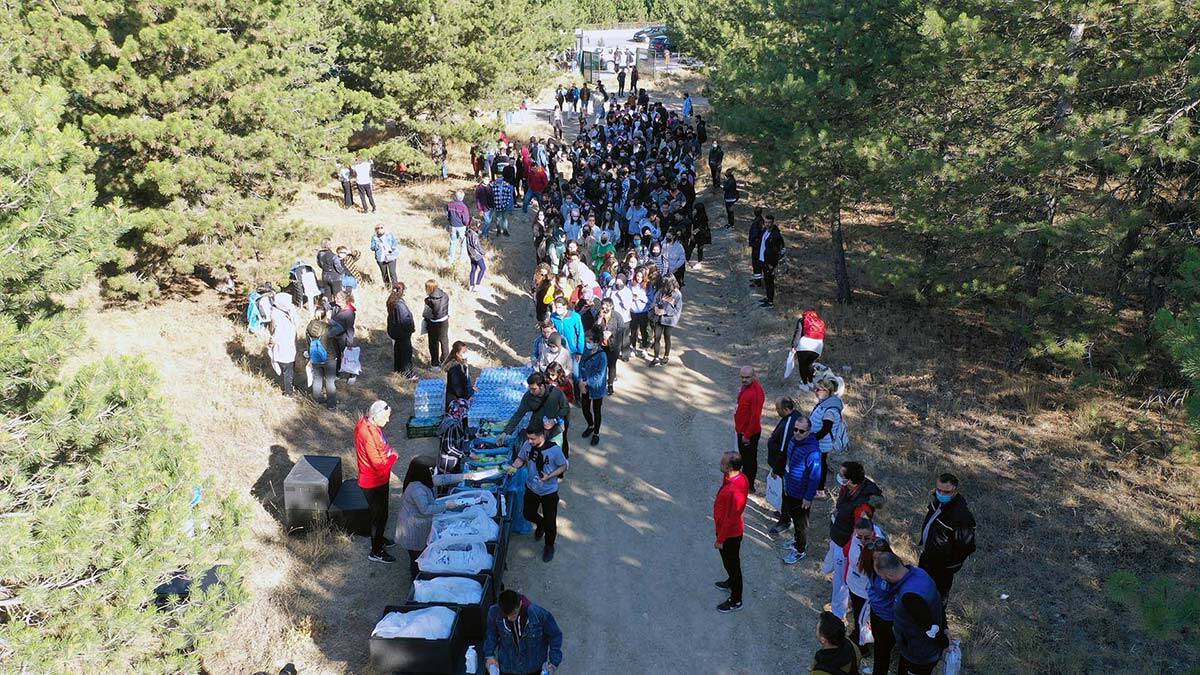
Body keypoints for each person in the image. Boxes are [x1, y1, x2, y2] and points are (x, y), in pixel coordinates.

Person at [395, 456, 471, 577]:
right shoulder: (417, 489)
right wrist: (446, 505)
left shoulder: (422, 479)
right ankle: (417, 579)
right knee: (417, 557)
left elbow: (443, 479)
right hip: (412, 528)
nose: (434, 472)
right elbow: (426, 509)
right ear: (424, 471)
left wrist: (465, 476)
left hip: (419, 523)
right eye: (432, 470)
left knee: (421, 552)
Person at [873, 552, 948, 675]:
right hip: (913, 648)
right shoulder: (920, 573)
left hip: (919, 655)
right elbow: (937, 602)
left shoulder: (910, 597)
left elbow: (930, 628)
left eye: (882, 577)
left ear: (890, 575)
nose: (882, 580)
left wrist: (945, 643)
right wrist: (945, 627)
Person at [828, 461, 885, 614]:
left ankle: (838, 613)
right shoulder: (850, 488)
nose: (840, 477)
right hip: (839, 536)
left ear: (852, 481)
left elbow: (859, 533)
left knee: (841, 581)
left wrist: (847, 551)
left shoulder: (862, 508)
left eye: (842, 475)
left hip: (845, 545)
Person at [508, 425, 568, 562]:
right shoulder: (527, 445)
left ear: (542, 436)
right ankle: (540, 524)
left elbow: (563, 466)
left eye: (532, 439)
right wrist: (512, 467)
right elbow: (520, 459)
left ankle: (549, 546)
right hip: (532, 488)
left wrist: (550, 475)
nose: (529, 441)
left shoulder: (554, 450)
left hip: (549, 492)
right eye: (528, 438)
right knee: (528, 513)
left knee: (550, 521)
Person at [917, 473, 977, 601]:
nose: (941, 494)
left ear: (955, 490)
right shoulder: (937, 503)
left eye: (946, 491)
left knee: (936, 599)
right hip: (928, 558)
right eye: (938, 490)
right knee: (919, 590)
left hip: (942, 568)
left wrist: (949, 565)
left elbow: (966, 546)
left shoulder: (961, 516)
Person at [483, 590, 564, 675]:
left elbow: (555, 635)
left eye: (513, 614)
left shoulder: (539, 614)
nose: (510, 618)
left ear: (520, 603)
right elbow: (491, 634)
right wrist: (489, 656)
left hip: (533, 667)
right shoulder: (494, 612)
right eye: (506, 615)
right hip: (508, 667)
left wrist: (553, 663)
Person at [356, 400, 398, 563]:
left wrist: (387, 451)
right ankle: (376, 551)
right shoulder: (368, 434)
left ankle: (379, 539)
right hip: (373, 481)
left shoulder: (366, 424)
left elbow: (381, 447)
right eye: (386, 418)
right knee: (379, 516)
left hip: (376, 478)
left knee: (381, 514)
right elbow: (379, 464)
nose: (387, 421)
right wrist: (393, 456)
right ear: (376, 416)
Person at [846, 515, 889, 667]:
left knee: (864, 617)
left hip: (867, 591)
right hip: (854, 585)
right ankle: (859, 636)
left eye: (866, 537)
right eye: (860, 537)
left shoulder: (879, 545)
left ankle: (862, 646)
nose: (863, 540)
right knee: (858, 615)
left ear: (873, 532)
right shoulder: (856, 538)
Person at [781, 416, 822, 565]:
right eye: (795, 429)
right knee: (794, 518)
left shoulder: (813, 451)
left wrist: (808, 497)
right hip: (790, 488)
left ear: (809, 431)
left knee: (801, 524)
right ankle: (797, 540)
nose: (797, 433)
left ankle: (800, 549)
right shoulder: (793, 441)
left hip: (801, 495)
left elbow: (815, 477)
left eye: (802, 431)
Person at [713, 451, 749, 613]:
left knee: (733, 566)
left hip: (730, 535)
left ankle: (736, 599)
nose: (720, 463)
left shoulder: (735, 489)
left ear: (730, 467)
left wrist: (720, 539)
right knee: (730, 564)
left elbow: (731, 519)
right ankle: (731, 582)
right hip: (727, 532)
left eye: (723, 462)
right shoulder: (734, 477)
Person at [499, 372, 571, 447]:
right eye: (530, 389)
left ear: (542, 386)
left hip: (555, 430)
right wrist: (505, 433)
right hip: (537, 431)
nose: (531, 391)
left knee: (555, 453)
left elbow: (565, 408)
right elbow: (518, 415)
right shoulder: (528, 397)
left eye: (534, 389)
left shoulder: (555, 393)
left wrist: (555, 420)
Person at [766, 397, 804, 530]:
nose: (776, 411)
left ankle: (785, 520)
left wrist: (776, 469)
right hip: (787, 464)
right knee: (784, 492)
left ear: (786, 409)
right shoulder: (794, 416)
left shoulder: (790, 424)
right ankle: (783, 511)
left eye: (778, 409)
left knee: (785, 492)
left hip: (785, 466)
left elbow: (783, 450)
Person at [811, 375, 848, 495]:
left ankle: (820, 490)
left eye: (819, 389)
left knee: (820, 465)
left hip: (822, 443)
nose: (816, 391)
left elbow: (826, 429)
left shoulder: (830, 409)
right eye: (816, 388)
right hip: (819, 441)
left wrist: (812, 438)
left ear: (827, 391)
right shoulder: (825, 403)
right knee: (820, 463)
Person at [734, 365, 765, 492]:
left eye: (747, 377)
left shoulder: (756, 392)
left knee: (749, 461)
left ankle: (748, 486)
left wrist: (747, 435)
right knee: (745, 459)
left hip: (749, 433)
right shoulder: (747, 386)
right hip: (742, 430)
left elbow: (755, 416)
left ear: (754, 376)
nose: (744, 380)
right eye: (742, 377)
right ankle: (745, 483)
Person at [577, 328, 609, 447]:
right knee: (585, 408)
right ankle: (590, 425)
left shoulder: (602, 356)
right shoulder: (586, 351)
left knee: (597, 410)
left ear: (596, 341)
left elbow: (600, 375)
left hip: (596, 388)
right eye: (586, 341)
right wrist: (580, 379)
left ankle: (596, 433)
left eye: (589, 341)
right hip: (584, 384)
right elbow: (581, 365)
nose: (587, 344)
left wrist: (586, 382)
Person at [304, 307, 337, 409]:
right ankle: (331, 405)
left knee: (317, 380)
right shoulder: (328, 328)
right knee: (330, 382)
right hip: (329, 358)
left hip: (315, 357)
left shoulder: (309, 327)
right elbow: (334, 342)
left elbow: (308, 343)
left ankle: (317, 401)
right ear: (325, 315)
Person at [811, 610, 861, 675]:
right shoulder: (853, 647)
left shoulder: (820, 668)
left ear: (823, 639)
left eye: (817, 629)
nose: (816, 631)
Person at [386, 282, 417, 379]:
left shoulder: (391, 300)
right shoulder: (400, 304)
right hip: (403, 332)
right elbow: (405, 319)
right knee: (406, 353)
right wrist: (411, 328)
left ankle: (398, 369)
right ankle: (408, 374)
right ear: (401, 291)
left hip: (395, 331)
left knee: (398, 350)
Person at [649, 276, 682, 366]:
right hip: (658, 318)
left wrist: (666, 311)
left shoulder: (677, 294)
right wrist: (655, 307)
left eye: (666, 285)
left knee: (667, 338)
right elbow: (654, 300)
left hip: (670, 321)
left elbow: (677, 310)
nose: (664, 288)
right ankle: (656, 357)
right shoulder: (661, 290)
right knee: (657, 337)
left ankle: (666, 356)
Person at [791, 309, 826, 387]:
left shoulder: (802, 320)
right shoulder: (820, 322)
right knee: (809, 364)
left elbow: (798, 333)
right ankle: (810, 382)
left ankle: (805, 384)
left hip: (804, 345)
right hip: (818, 347)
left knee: (802, 365)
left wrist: (793, 346)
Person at [758, 214, 785, 308]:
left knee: (770, 282)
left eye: (769, 222)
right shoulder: (765, 231)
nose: (767, 224)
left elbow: (776, 251)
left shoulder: (775, 235)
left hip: (769, 263)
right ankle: (768, 297)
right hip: (763, 260)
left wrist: (772, 264)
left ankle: (770, 302)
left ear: (773, 223)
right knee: (766, 280)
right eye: (766, 222)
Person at [423, 279, 450, 367]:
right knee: (444, 341)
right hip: (445, 321)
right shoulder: (445, 295)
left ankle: (435, 364)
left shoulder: (428, 300)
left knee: (433, 344)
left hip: (433, 323)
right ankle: (446, 361)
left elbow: (427, 314)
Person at [444, 340, 473, 408]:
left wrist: (471, 388)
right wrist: (468, 396)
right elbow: (457, 388)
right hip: (455, 400)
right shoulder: (455, 367)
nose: (466, 353)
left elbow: (464, 382)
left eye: (466, 351)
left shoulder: (461, 364)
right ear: (457, 354)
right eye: (463, 352)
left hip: (459, 396)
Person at [447, 190, 471, 265]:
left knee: (452, 242)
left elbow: (448, 215)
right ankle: (462, 260)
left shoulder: (449, 204)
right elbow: (466, 219)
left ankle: (451, 259)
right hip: (461, 227)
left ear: (455, 197)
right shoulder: (464, 207)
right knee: (463, 243)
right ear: (462, 198)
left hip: (452, 226)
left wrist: (450, 222)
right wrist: (467, 225)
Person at [466, 220, 487, 292]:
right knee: (483, 268)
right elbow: (476, 245)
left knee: (473, 269)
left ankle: (471, 285)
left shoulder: (468, 232)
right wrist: (483, 252)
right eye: (479, 227)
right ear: (475, 227)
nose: (479, 228)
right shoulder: (474, 235)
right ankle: (477, 285)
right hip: (476, 254)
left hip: (471, 254)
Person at [748, 208, 764, 286]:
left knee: (756, 264)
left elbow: (755, 234)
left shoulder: (758, 221)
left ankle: (757, 282)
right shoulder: (759, 220)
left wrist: (754, 242)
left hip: (757, 246)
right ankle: (756, 278)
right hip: (757, 245)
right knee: (756, 264)